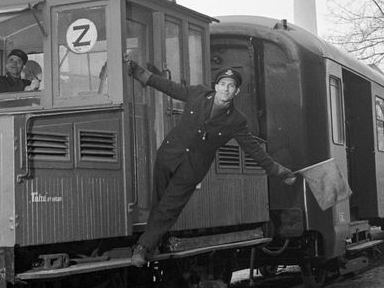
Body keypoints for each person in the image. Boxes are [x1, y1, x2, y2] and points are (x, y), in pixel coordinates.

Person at [125, 55, 297, 268]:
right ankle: (152, 243)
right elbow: (169, 87)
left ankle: (142, 248)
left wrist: (280, 172)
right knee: (158, 201)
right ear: (216, 86)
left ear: (237, 91)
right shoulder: (197, 94)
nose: (226, 89)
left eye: (231, 86)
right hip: (168, 154)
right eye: (223, 84)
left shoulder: (237, 121)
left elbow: (254, 150)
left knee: (169, 207)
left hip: (192, 169)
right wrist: (140, 72)